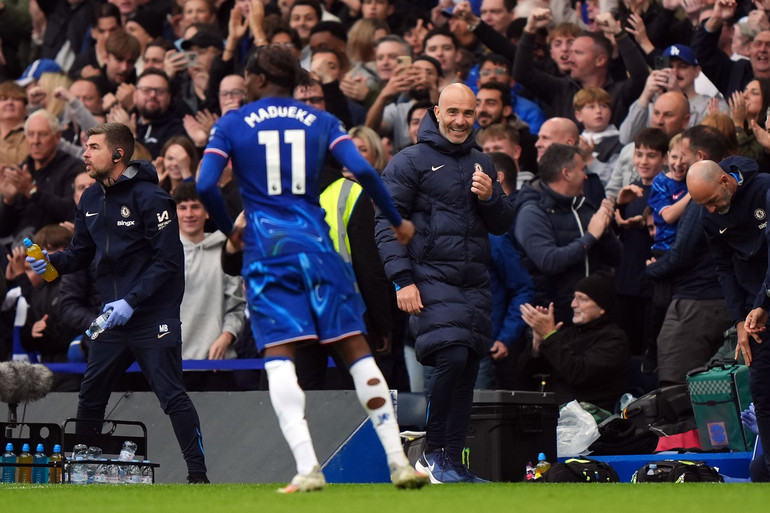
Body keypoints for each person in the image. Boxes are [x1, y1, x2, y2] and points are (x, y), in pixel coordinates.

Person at [195, 44, 427, 492]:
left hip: (268, 253)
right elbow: (365, 170)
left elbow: (205, 184)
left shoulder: (232, 124)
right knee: (356, 352)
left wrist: (231, 232)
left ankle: (308, 467)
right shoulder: (322, 121)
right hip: (319, 249)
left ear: (258, 79)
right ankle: (399, 461)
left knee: (280, 357)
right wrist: (397, 221)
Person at [26, 122, 209, 484]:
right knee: (91, 392)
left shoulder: (153, 198)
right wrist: (51, 262)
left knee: (171, 394)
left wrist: (131, 300)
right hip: (113, 317)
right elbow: (80, 254)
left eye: (93, 147)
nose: (85, 153)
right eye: (86, 146)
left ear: (118, 155)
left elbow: (168, 261)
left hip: (152, 315)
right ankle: (82, 472)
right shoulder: (90, 199)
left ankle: (197, 476)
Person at [375, 82, 514, 483]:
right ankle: (431, 455)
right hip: (428, 277)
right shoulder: (408, 161)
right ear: (437, 112)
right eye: (452, 112)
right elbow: (385, 224)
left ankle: (452, 461)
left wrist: (491, 197)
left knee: (467, 366)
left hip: (473, 283)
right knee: (451, 357)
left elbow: (502, 224)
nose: (460, 121)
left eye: (468, 113)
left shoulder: (482, 162)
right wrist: (402, 281)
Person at [688, 157, 770, 480]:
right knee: (762, 389)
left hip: (764, 301)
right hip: (754, 315)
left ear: (725, 181)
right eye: (703, 205)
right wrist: (739, 321)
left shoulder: (764, 189)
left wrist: (764, 302)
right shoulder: (709, 216)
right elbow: (723, 268)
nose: (710, 210)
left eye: (711, 201)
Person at [513, 143, 621, 325]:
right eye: (582, 169)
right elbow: (549, 261)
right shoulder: (532, 212)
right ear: (566, 173)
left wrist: (605, 227)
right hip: (553, 316)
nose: (586, 176)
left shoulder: (584, 205)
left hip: (593, 316)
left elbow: (616, 258)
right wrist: (591, 236)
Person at [519, 271, 630, 411]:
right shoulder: (569, 334)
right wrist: (538, 343)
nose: (573, 304)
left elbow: (578, 373)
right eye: (574, 297)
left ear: (602, 307)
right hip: (551, 412)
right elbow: (529, 375)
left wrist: (550, 336)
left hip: (588, 417)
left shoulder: (614, 340)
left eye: (582, 299)